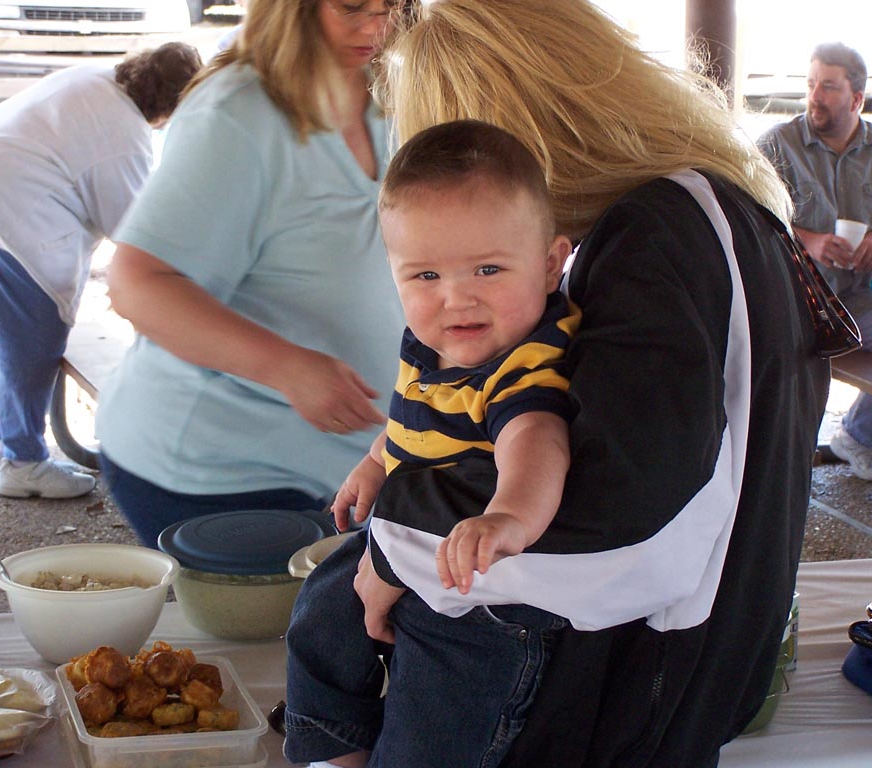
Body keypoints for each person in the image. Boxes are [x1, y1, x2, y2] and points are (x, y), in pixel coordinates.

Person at [283, 1, 836, 766]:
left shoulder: (655, 237)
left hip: (639, 695)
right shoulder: (708, 208)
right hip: (693, 675)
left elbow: (622, 517)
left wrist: (394, 544)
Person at [285, 120, 577, 766]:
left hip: (485, 588)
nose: (456, 298)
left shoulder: (523, 367)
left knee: (434, 723)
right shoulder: (433, 347)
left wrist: (506, 518)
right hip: (412, 543)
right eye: (424, 276)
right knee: (319, 614)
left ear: (550, 264)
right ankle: (335, 750)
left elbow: (537, 446)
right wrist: (374, 463)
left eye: (488, 268)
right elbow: (412, 420)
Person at [95, 0, 407, 547]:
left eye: (393, 6)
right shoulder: (237, 114)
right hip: (221, 471)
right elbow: (136, 284)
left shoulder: (390, 93)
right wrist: (287, 366)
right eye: (352, 7)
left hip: (350, 465)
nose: (376, 26)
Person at [0, 42, 203, 499]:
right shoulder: (124, 135)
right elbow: (136, 235)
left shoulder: (96, 78)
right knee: (32, 338)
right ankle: (23, 461)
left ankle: (6, 450)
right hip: (9, 207)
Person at [757, 42, 872, 483]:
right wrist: (810, 242)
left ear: (856, 99)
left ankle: (856, 436)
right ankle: (774, 462)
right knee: (782, 366)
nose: (814, 96)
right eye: (811, 84)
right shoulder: (777, 143)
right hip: (790, 298)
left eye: (828, 87)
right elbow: (749, 214)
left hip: (853, 298)